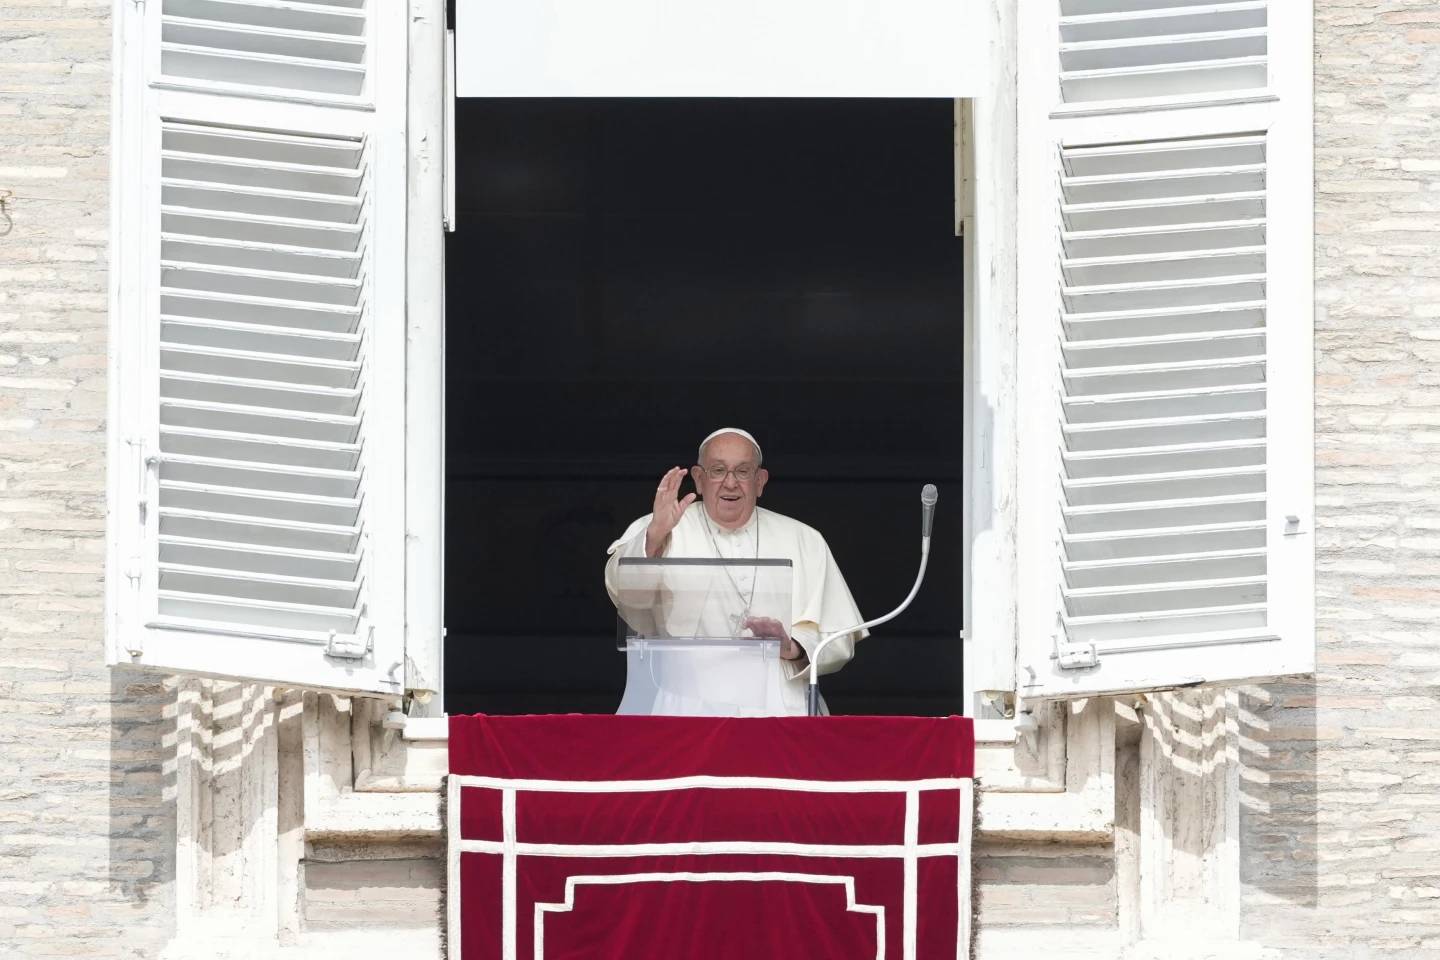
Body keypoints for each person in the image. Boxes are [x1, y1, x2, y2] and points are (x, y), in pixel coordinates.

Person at [604, 427, 865, 716]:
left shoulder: (805, 539)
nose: (730, 483)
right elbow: (625, 596)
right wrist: (654, 536)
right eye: (717, 470)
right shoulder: (663, 528)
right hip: (687, 706)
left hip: (780, 707)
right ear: (699, 480)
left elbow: (839, 637)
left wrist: (792, 647)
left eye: (743, 471)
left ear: (760, 481)